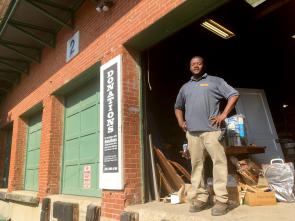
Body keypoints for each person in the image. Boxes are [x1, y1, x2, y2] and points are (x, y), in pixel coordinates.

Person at [174, 56, 239, 216]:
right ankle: (201, 198)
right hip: (192, 134)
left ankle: (222, 201)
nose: (196, 66)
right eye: (193, 64)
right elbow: (178, 106)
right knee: (196, 165)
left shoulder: (215, 81)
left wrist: (223, 114)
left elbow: (234, 94)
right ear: (190, 67)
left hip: (212, 131)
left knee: (219, 163)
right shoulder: (185, 87)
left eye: (199, 63)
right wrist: (181, 121)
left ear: (203, 65)